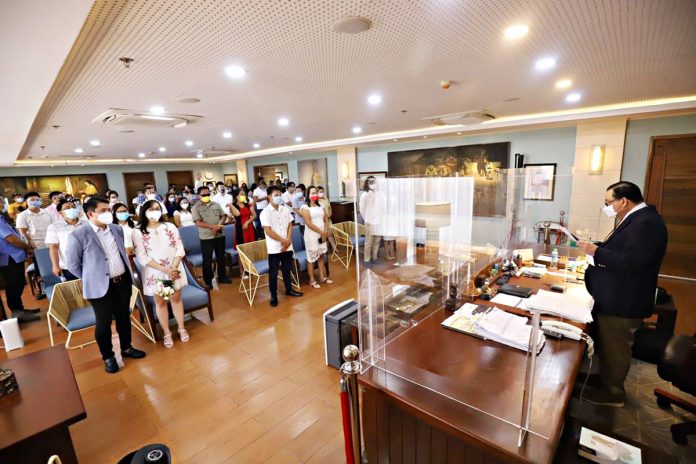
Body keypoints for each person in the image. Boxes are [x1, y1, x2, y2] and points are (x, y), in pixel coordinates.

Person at [578, 181, 668, 407]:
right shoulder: (637, 219)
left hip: (625, 300)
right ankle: (605, 380)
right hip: (615, 296)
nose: (607, 207)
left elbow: (633, 262)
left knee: (617, 347)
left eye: (609, 202)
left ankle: (613, 394)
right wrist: (598, 247)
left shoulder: (646, 222)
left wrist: (597, 252)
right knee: (609, 346)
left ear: (624, 201)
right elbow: (624, 250)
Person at [66, 198, 147, 373]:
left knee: (124, 317)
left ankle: (126, 348)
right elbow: (72, 264)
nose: (108, 213)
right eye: (103, 210)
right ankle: (108, 357)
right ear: (90, 214)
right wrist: (91, 278)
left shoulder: (117, 229)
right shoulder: (79, 234)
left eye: (108, 209)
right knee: (103, 323)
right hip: (99, 287)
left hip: (122, 281)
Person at [132, 200, 189, 349]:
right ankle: (167, 332)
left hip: (174, 269)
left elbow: (179, 247)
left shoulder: (169, 226)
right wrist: (166, 270)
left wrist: (174, 267)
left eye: (157, 208)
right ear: (144, 211)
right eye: (151, 209)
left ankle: (181, 328)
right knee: (161, 302)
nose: (155, 211)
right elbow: (142, 256)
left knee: (176, 299)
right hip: (158, 272)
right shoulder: (138, 231)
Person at [260, 186, 303, 307]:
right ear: (269, 197)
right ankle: (273, 295)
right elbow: (268, 231)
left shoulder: (284, 209)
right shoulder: (265, 212)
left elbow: (290, 224)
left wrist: (288, 240)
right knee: (273, 272)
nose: (279, 197)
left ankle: (289, 290)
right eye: (276, 195)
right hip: (274, 248)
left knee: (287, 269)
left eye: (280, 194)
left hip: (287, 245)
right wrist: (283, 241)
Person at [0, 213, 40, 322]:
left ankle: (20, 309)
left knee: (18, 283)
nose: (2, 203)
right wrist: (27, 247)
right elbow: (12, 239)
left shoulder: (2, 219)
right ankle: (17, 312)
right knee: (14, 285)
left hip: (14, 257)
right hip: (9, 258)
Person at [191, 186, 230, 286]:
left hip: (220, 235)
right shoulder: (196, 207)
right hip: (206, 237)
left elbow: (223, 216)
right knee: (207, 259)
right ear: (199, 196)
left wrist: (219, 225)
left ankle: (222, 277)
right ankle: (208, 281)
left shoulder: (215, 204)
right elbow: (198, 223)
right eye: (204, 195)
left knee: (221, 257)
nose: (206, 196)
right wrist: (213, 227)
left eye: (208, 194)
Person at [45, 199, 87, 281]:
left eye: (73, 207)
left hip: (89, 262)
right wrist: (55, 265)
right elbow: (54, 247)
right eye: (67, 208)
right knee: (77, 290)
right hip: (69, 266)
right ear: (61, 212)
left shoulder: (87, 224)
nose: (72, 209)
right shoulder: (54, 227)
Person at [300, 186, 332, 288]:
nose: (315, 195)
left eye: (316, 193)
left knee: (321, 255)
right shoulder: (305, 207)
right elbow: (308, 223)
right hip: (311, 236)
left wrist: (325, 232)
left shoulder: (321, 205)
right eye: (312, 193)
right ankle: (312, 280)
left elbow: (326, 220)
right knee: (312, 258)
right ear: (308, 195)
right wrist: (321, 232)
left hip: (322, 234)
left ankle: (322, 277)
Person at [359, 176, 384, 264]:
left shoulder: (379, 194)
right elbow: (362, 210)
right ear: (367, 183)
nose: (373, 184)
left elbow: (381, 207)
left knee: (377, 240)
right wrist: (367, 219)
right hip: (369, 221)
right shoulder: (364, 195)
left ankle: (375, 257)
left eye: (374, 182)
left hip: (378, 221)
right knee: (368, 242)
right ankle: (367, 260)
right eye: (371, 182)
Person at [316, 186, 336, 250]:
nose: (322, 193)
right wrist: (325, 218)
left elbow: (329, 207)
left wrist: (330, 213)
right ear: (317, 192)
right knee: (323, 235)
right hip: (322, 221)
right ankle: (324, 250)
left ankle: (334, 248)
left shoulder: (325, 198)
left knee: (330, 234)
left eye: (323, 191)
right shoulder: (317, 201)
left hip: (329, 219)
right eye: (320, 192)